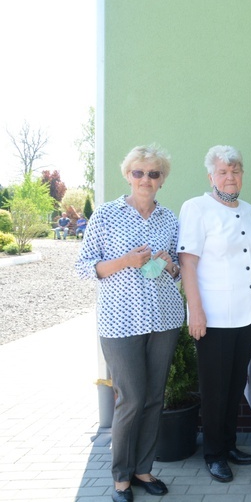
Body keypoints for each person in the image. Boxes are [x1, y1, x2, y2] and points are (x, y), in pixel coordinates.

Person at [75, 145, 184, 502]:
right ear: (128, 175)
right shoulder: (105, 216)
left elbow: (180, 272)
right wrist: (125, 260)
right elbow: (84, 268)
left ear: (162, 179)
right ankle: (120, 476)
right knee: (131, 399)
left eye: (154, 173)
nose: (146, 179)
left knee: (154, 398)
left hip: (164, 318)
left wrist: (170, 265)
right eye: (139, 172)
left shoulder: (170, 219)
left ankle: (143, 468)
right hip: (120, 323)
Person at [178, 146, 251, 483]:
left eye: (236, 170)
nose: (231, 177)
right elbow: (188, 263)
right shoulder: (196, 208)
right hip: (213, 316)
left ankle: (228, 445)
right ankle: (213, 454)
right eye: (224, 171)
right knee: (214, 388)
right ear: (210, 176)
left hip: (248, 314)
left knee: (234, 384)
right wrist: (194, 312)